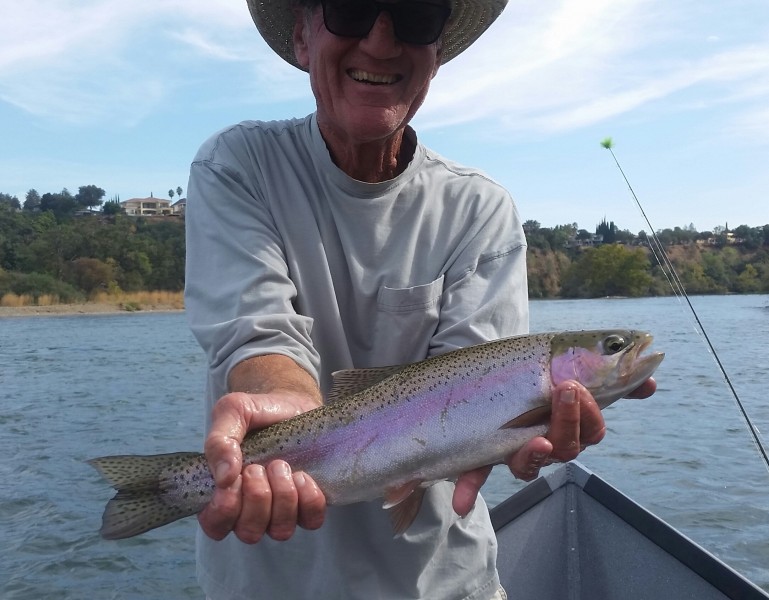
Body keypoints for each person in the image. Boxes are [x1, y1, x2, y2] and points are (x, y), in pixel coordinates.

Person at [184, 0, 656, 597]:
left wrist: (518, 439)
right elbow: (256, 329)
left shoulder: (481, 210)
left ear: (437, 54)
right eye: (351, 9)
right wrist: (288, 399)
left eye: (416, 14)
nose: (381, 42)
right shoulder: (238, 164)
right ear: (303, 37)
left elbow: (472, 400)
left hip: (442, 583)